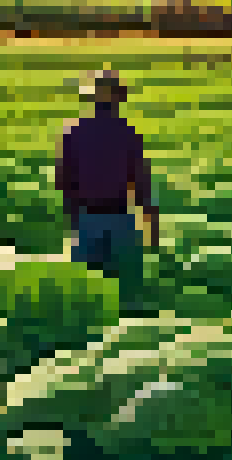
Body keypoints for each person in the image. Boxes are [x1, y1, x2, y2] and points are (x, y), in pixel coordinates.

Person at [55, 68, 160, 303]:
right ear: (118, 99)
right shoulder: (129, 133)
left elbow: (63, 182)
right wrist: (152, 229)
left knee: (84, 299)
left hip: (87, 221)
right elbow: (143, 185)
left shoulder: (73, 132)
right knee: (126, 299)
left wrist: (74, 221)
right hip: (121, 220)